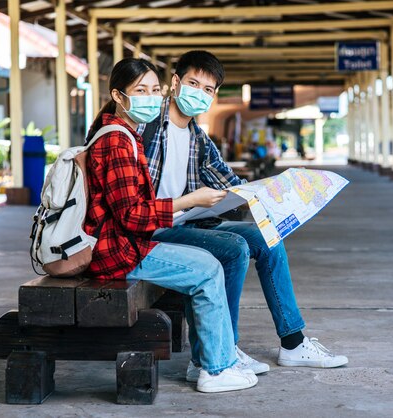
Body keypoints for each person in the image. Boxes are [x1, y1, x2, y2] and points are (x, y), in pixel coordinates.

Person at [142, 50, 348, 380]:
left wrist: (273, 193)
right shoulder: (148, 128)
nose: (200, 93)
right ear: (175, 82)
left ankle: (293, 343)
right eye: (193, 83)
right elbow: (134, 203)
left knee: (268, 237)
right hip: (152, 227)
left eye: (208, 89)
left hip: (185, 222)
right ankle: (221, 350)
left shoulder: (197, 138)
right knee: (233, 247)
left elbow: (230, 182)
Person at [83, 57, 257, 393]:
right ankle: (216, 369)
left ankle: (212, 361)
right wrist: (189, 202)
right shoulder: (117, 141)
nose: (150, 97)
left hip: (130, 242)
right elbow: (132, 216)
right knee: (207, 268)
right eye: (140, 91)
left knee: (211, 261)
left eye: (153, 90)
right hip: (119, 250)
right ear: (119, 96)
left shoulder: (128, 134)